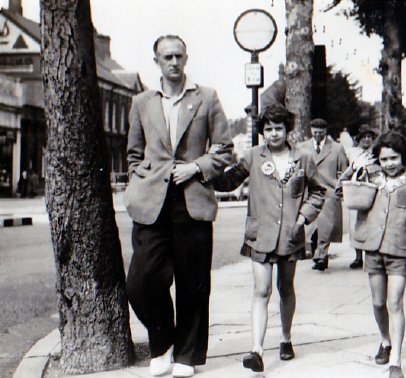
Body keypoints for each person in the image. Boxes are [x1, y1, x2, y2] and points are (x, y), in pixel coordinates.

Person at [124, 35, 233, 378]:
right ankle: (161, 343)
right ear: (156, 60)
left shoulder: (206, 98)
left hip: (193, 197)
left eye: (179, 56)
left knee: (193, 281)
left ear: (187, 58)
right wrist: (139, 180)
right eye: (167, 57)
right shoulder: (141, 102)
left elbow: (225, 149)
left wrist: (196, 167)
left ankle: (185, 356)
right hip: (152, 201)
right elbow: (133, 154)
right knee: (141, 281)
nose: (174, 62)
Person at [211, 103, 325, 373]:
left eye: (279, 128)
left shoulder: (303, 158)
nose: (274, 134)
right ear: (262, 131)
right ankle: (256, 350)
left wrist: (302, 219)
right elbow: (228, 183)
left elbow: (318, 192)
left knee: (286, 288)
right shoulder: (253, 156)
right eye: (268, 129)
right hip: (259, 235)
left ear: (287, 130)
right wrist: (209, 163)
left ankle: (285, 339)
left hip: (290, 235)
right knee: (261, 290)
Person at [338, 130, 406, 378]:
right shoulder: (370, 178)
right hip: (372, 250)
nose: (389, 164)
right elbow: (343, 190)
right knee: (378, 302)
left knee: (394, 303)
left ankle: (396, 360)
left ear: (404, 157)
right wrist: (355, 167)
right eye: (383, 159)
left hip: (399, 252)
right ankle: (385, 340)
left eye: (394, 158)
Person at [298, 118, 349, 271]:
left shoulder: (337, 148)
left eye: (321, 132)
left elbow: (345, 171)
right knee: (311, 226)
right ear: (311, 131)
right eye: (315, 132)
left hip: (329, 192)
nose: (318, 135)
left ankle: (321, 256)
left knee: (326, 227)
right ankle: (317, 253)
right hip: (309, 191)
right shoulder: (302, 147)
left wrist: (340, 187)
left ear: (326, 131)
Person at [345, 124, 378, 269]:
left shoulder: (376, 153)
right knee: (355, 224)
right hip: (356, 191)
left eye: (369, 137)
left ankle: (371, 254)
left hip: (373, 189)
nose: (366, 139)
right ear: (358, 138)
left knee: (371, 222)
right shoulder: (351, 152)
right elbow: (345, 170)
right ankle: (358, 257)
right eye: (364, 136)